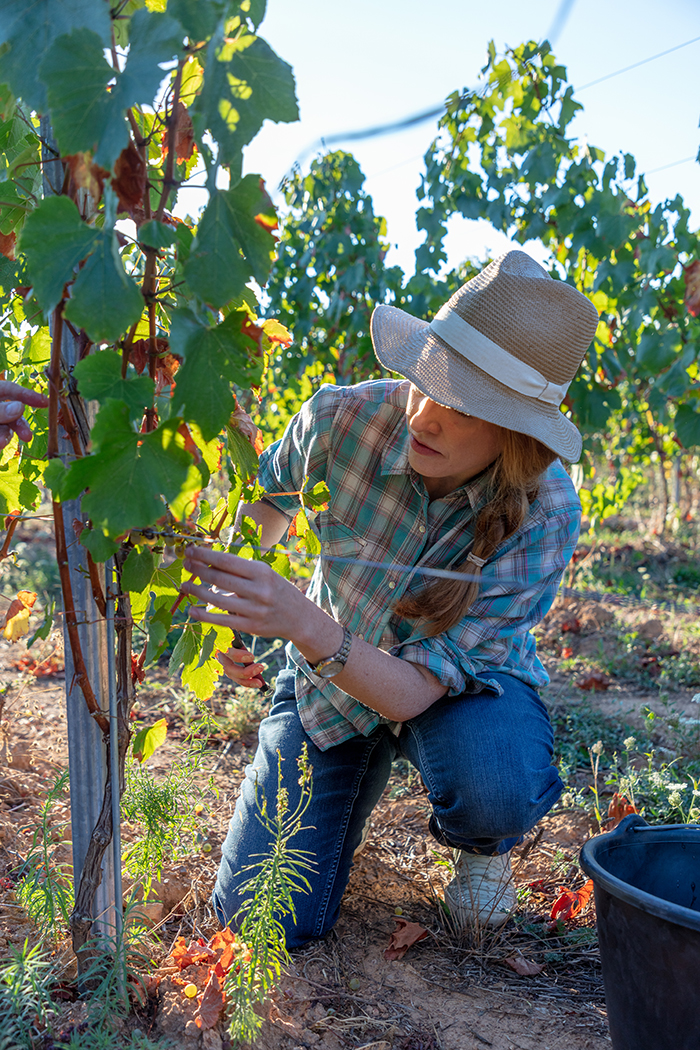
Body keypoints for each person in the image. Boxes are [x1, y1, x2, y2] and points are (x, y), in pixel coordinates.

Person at [181, 249, 599, 945]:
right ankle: (352, 764)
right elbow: (263, 514)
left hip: (452, 693)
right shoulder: (340, 420)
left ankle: (482, 851)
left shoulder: (546, 513)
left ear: (514, 433)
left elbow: (411, 692)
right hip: (328, 687)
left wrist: (306, 626)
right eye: (423, 380)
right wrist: (236, 623)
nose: (425, 416)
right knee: (259, 917)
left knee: (493, 782)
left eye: (460, 404)